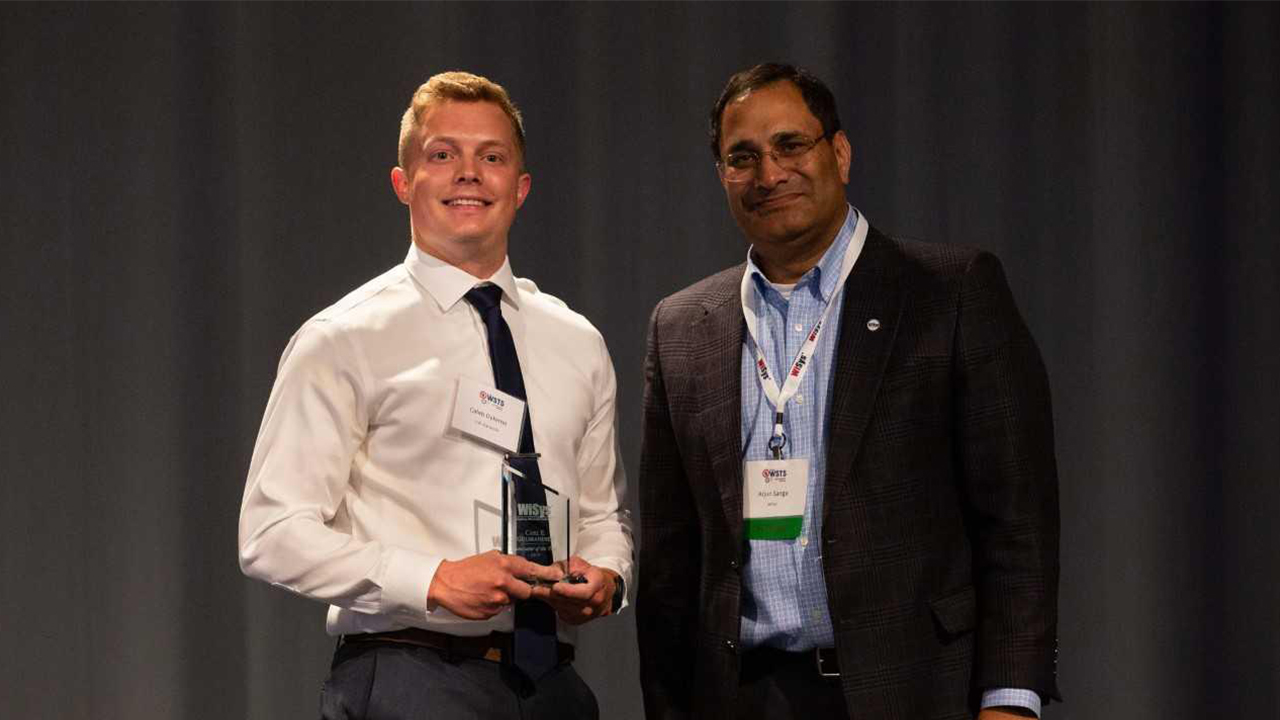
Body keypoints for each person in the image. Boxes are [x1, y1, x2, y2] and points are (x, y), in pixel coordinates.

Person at [636, 63, 1060, 720]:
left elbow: (1018, 522)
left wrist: (1012, 699)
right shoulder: (681, 327)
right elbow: (670, 559)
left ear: (839, 152)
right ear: (722, 175)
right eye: (741, 157)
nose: (768, 173)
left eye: (790, 145)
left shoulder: (949, 293)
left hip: (913, 691)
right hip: (740, 699)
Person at [238, 70, 633, 720]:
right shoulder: (345, 338)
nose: (469, 173)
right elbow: (271, 531)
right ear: (403, 183)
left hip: (553, 689)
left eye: (492, 157)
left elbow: (603, 516)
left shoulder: (577, 341)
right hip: (410, 676)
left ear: (521, 187)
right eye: (443, 155)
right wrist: (432, 579)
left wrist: (609, 578)